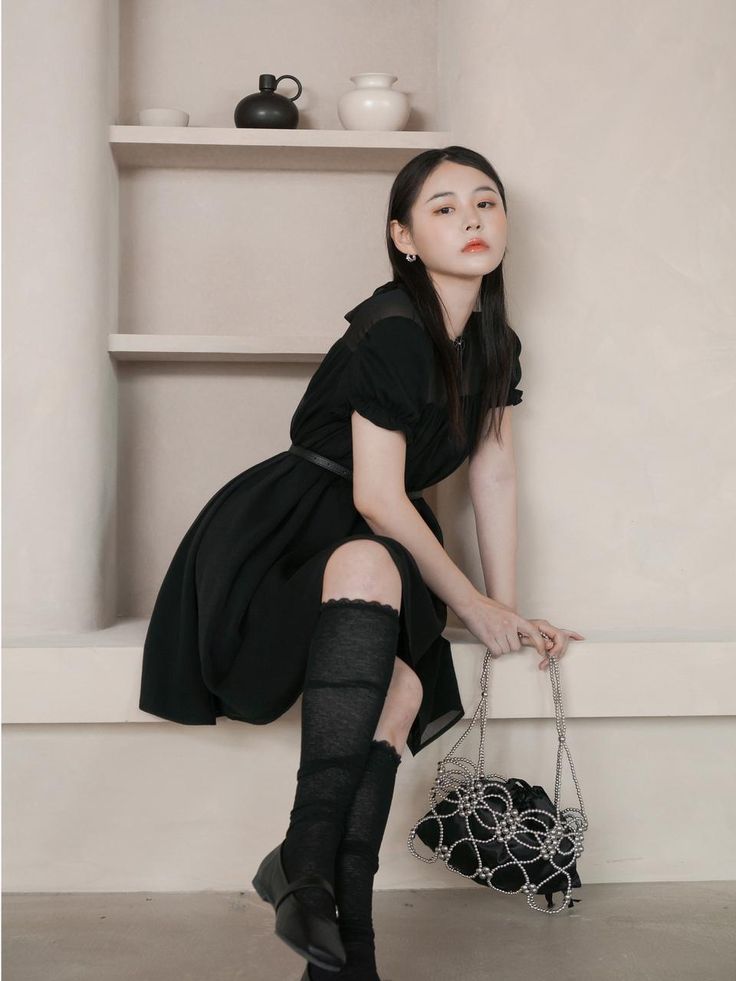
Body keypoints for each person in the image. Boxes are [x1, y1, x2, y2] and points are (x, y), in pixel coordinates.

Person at [138, 145, 584, 980]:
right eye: (444, 208)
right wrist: (472, 605)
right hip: (290, 529)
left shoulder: (493, 340)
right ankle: (306, 870)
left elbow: (492, 469)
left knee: (404, 693)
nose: (472, 219)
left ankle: (340, 939)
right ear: (404, 237)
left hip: (381, 541)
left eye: (485, 202)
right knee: (381, 577)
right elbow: (380, 498)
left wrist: (506, 604)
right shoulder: (391, 327)